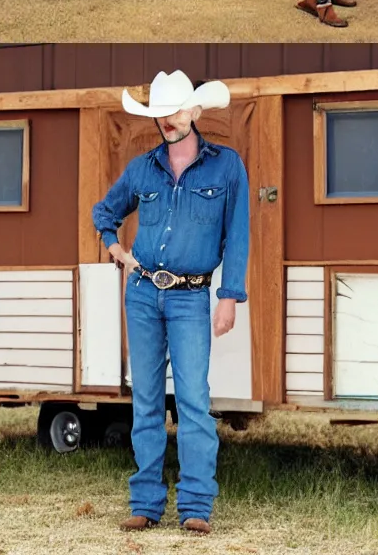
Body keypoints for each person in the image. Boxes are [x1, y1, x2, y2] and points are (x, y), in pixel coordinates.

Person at [91, 70, 250, 536]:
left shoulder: (227, 166)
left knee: (194, 401)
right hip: (141, 295)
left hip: (190, 297)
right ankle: (145, 504)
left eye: (175, 112)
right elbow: (105, 211)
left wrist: (229, 296)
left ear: (196, 112)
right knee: (145, 401)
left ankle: (196, 506)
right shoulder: (143, 167)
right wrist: (116, 250)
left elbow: (237, 236)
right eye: (160, 113)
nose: (167, 121)